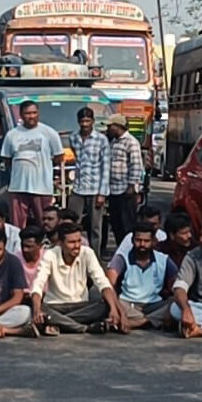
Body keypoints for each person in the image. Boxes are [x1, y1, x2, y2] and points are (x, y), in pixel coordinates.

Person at [30, 221, 126, 335]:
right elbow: (38, 285)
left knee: (104, 306)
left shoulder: (87, 253)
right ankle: (84, 328)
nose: (76, 246)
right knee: (40, 309)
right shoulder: (50, 255)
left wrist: (113, 309)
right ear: (60, 243)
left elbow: (102, 282)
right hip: (55, 306)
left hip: (81, 306)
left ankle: (59, 324)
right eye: (71, 242)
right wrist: (37, 310)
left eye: (79, 241)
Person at [0, 100, 64, 228]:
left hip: (42, 187)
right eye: (28, 113)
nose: (31, 116)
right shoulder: (12, 135)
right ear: (21, 115)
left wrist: (44, 169)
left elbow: (59, 156)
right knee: (17, 226)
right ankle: (17, 247)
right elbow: (7, 160)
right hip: (18, 187)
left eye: (34, 112)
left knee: (45, 223)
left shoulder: (49, 133)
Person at [106, 221, 176, 330]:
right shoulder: (121, 258)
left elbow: (177, 287)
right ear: (132, 240)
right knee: (107, 303)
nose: (142, 244)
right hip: (127, 304)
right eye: (138, 240)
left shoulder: (164, 259)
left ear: (153, 241)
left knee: (176, 305)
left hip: (154, 305)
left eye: (146, 241)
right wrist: (121, 312)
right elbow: (108, 286)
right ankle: (151, 321)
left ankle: (137, 323)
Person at [69, 107, 108, 250]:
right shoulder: (73, 138)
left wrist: (102, 193)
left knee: (95, 227)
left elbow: (106, 166)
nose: (85, 124)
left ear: (93, 121)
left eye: (87, 121)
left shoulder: (101, 140)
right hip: (78, 188)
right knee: (73, 224)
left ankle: (95, 257)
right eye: (82, 121)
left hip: (95, 188)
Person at [104, 113, 144, 245]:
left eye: (110, 126)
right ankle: (120, 247)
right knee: (116, 223)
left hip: (125, 190)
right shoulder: (113, 141)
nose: (108, 129)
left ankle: (129, 249)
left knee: (127, 223)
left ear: (117, 127)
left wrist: (132, 186)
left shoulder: (131, 142)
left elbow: (136, 165)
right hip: (113, 189)